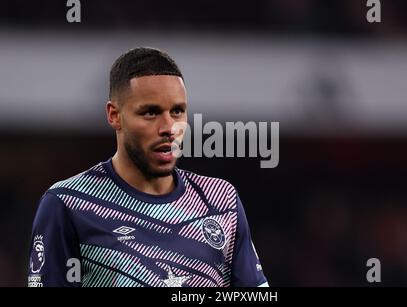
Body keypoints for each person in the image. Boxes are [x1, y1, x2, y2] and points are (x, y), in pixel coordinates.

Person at [28, 47, 268, 287]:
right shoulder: (68, 204)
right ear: (114, 115)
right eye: (151, 112)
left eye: (177, 111)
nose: (169, 127)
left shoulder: (221, 200)